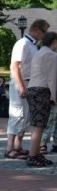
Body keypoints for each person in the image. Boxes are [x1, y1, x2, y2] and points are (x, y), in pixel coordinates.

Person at [6, 18, 50, 159]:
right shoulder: (23, 44)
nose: (44, 35)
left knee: (25, 116)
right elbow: (14, 66)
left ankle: (18, 146)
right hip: (21, 81)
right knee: (17, 115)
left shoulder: (33, 45)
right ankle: (9, 148)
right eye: (44, 31)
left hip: (29, 82)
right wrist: (20, 85)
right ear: (36, 29)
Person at [25, 31, 57, 167]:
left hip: (32, 90)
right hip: (42, 91)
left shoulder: (39, 53)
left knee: (36, 125)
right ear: (54, 41)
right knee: (39, 127)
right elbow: (52, 78)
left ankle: (36, 153)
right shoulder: (51, 55)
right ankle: (32, 156)